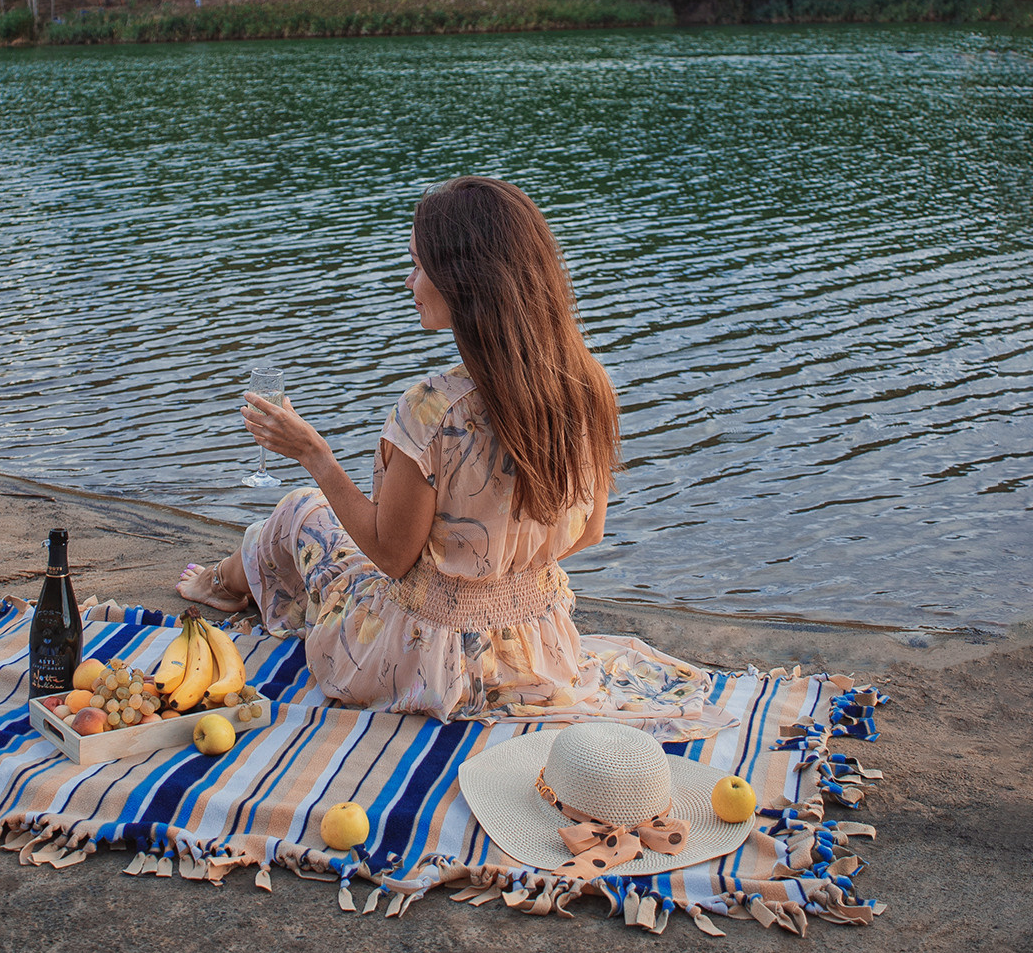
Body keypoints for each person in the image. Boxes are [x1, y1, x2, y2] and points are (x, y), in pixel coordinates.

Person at [177, 176, 731, 737]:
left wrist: (313, 452)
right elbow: (588, 533)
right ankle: (226, 579)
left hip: (422, 661)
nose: (409, 281)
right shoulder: (585, 385)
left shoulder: (431, 410)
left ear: (463, 280)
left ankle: (220, 583)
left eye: (418, 265)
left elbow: (392, 558)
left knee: (303, 511)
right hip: (536, 650)